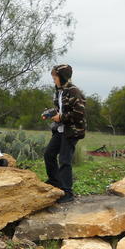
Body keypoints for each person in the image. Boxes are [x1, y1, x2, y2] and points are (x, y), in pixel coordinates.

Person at [43, 64, 86, 203]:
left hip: (72, 131)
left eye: (55, 77)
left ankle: (67, 192)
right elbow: (59, 109)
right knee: (49, 154)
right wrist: (51, 113)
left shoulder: (74, 91)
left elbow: (79, 113)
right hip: (60, 130)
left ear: (62, 77)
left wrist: (61, 118)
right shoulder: (59, 91)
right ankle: (55, 182)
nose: (54, 80)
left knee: (64, 160)